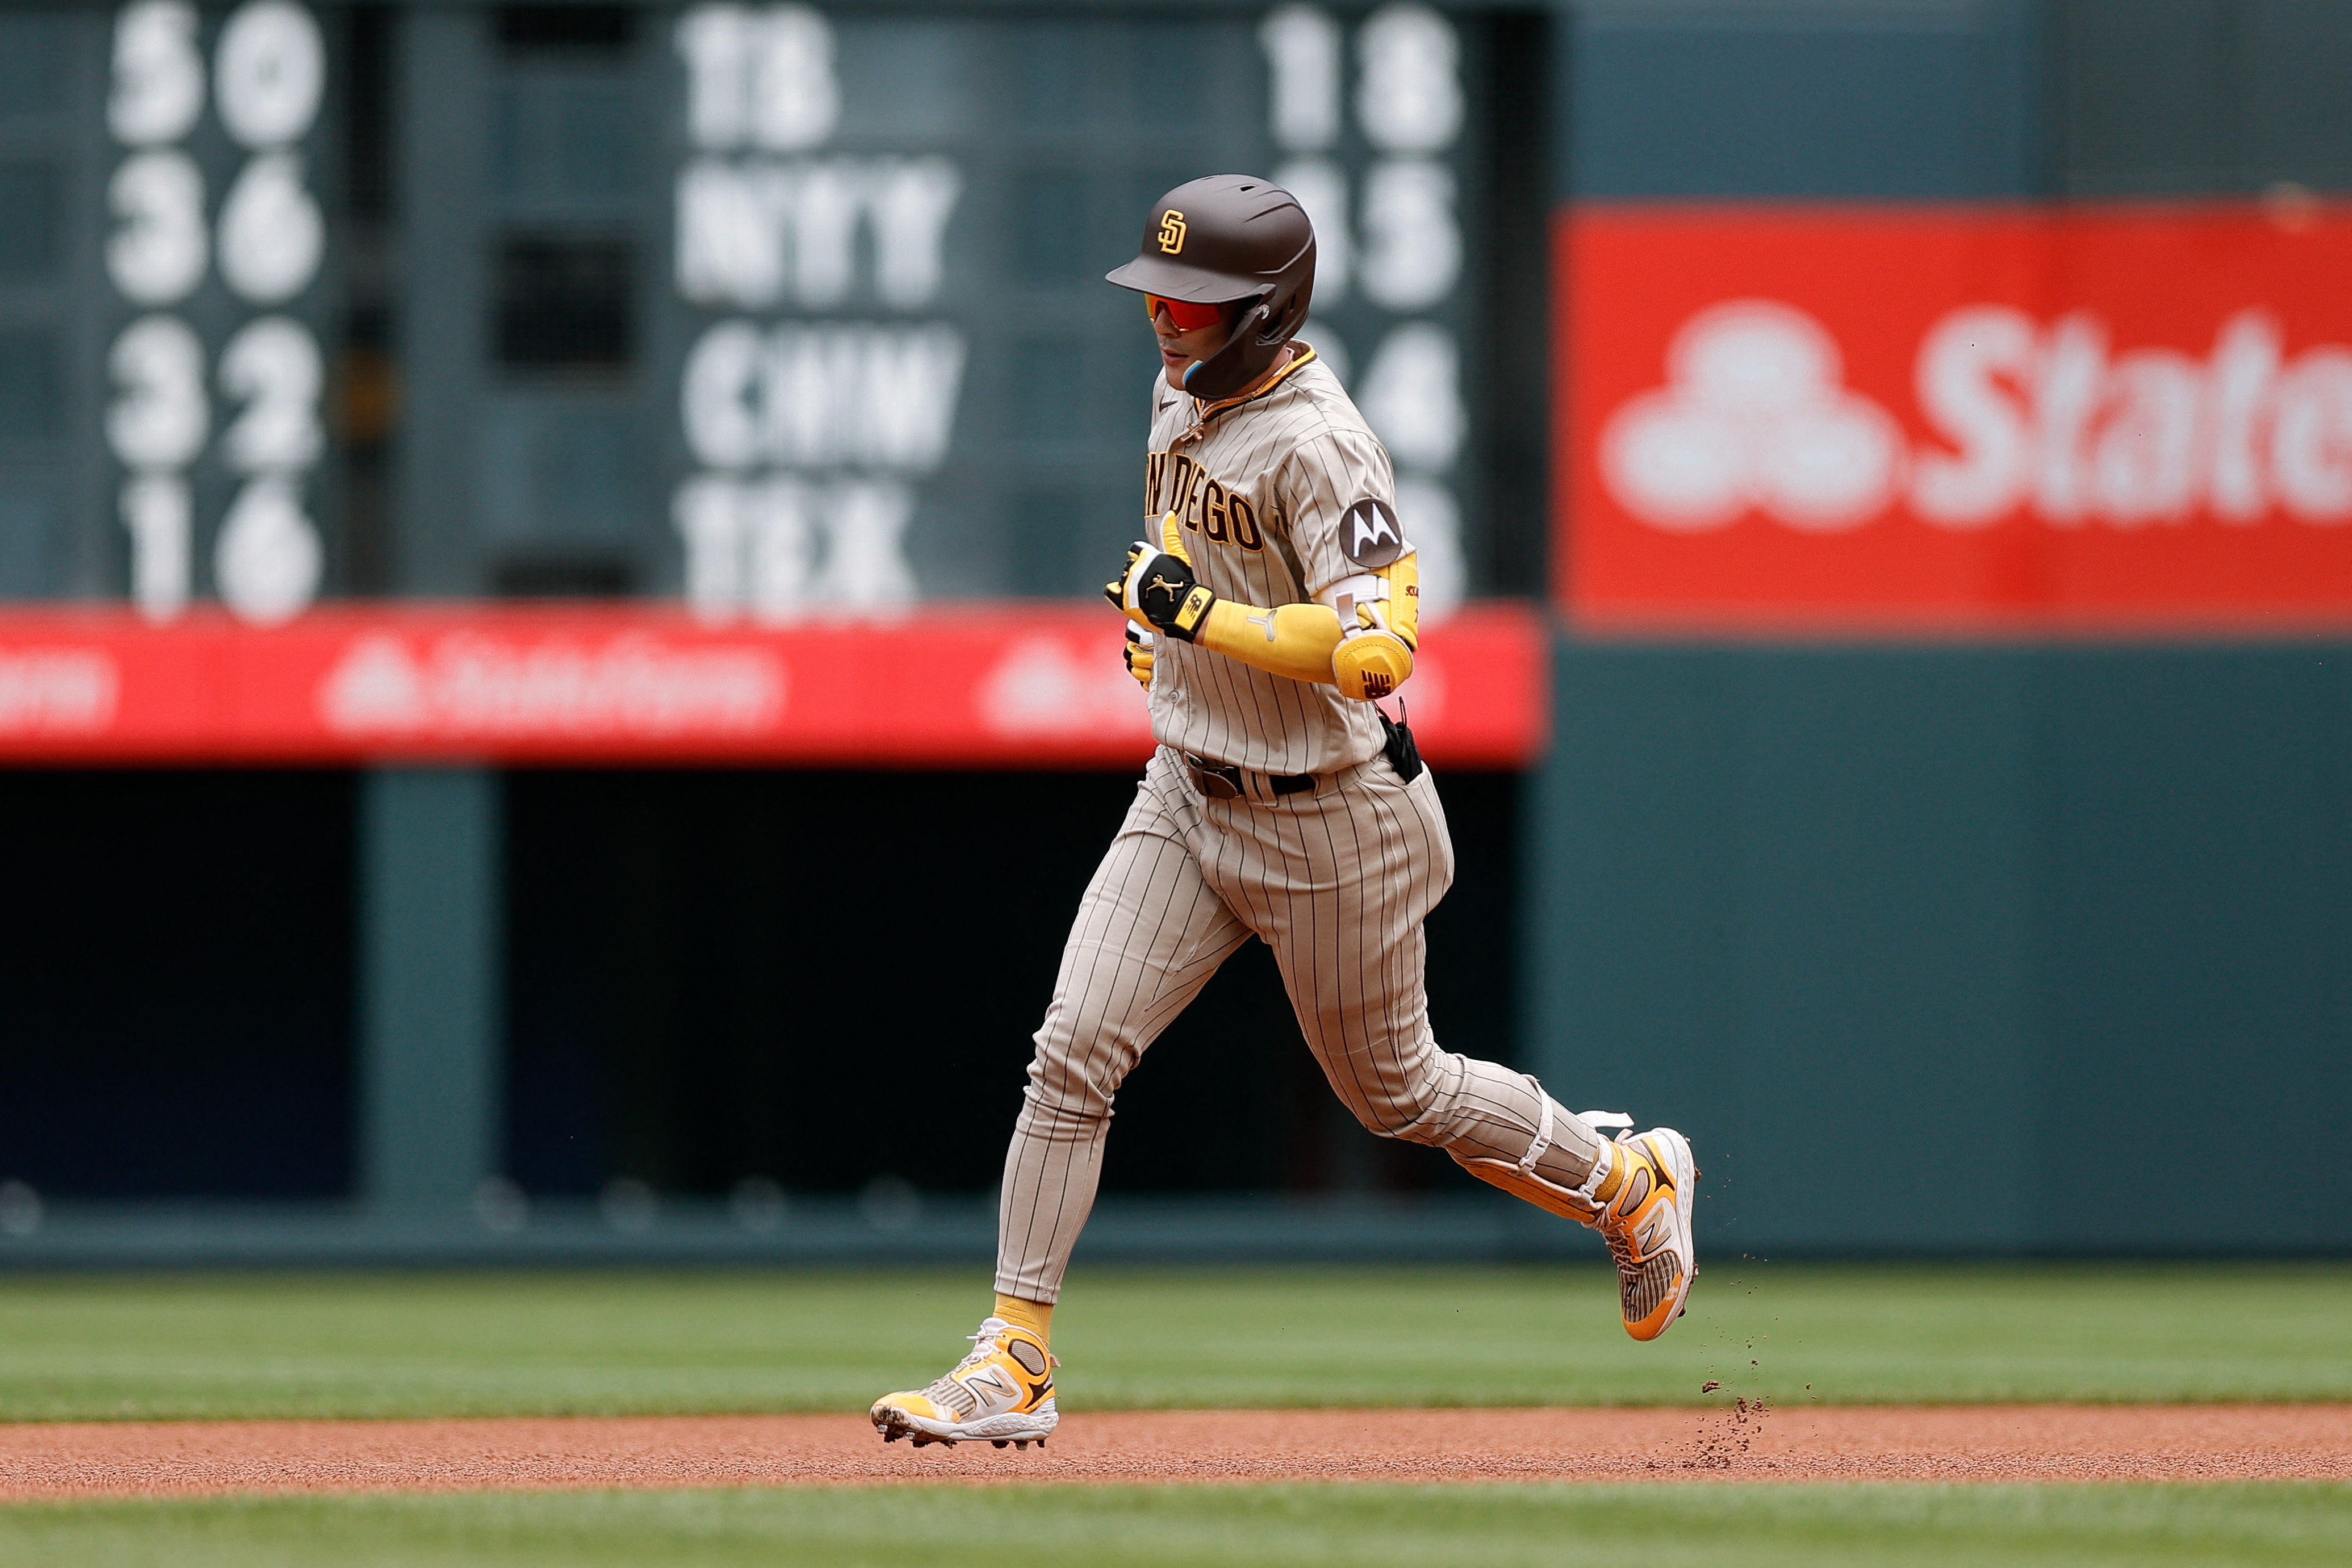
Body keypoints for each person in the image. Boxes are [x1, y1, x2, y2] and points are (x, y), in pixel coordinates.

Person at [870, 175, 1696, 1450]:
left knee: (1396, 1094)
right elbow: (1187, 557)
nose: (1164, 314)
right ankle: (1014, 1355)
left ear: (1267, 308)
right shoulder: (1178, 390)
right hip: (1187, 795)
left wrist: (1201, 621)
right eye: (1159, 290)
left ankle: (1626, 1183)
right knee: (1072, 1049)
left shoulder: (1321, 440)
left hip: (1331, 818)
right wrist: (1169, 649)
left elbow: (1379, 652)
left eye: (1194, 300)